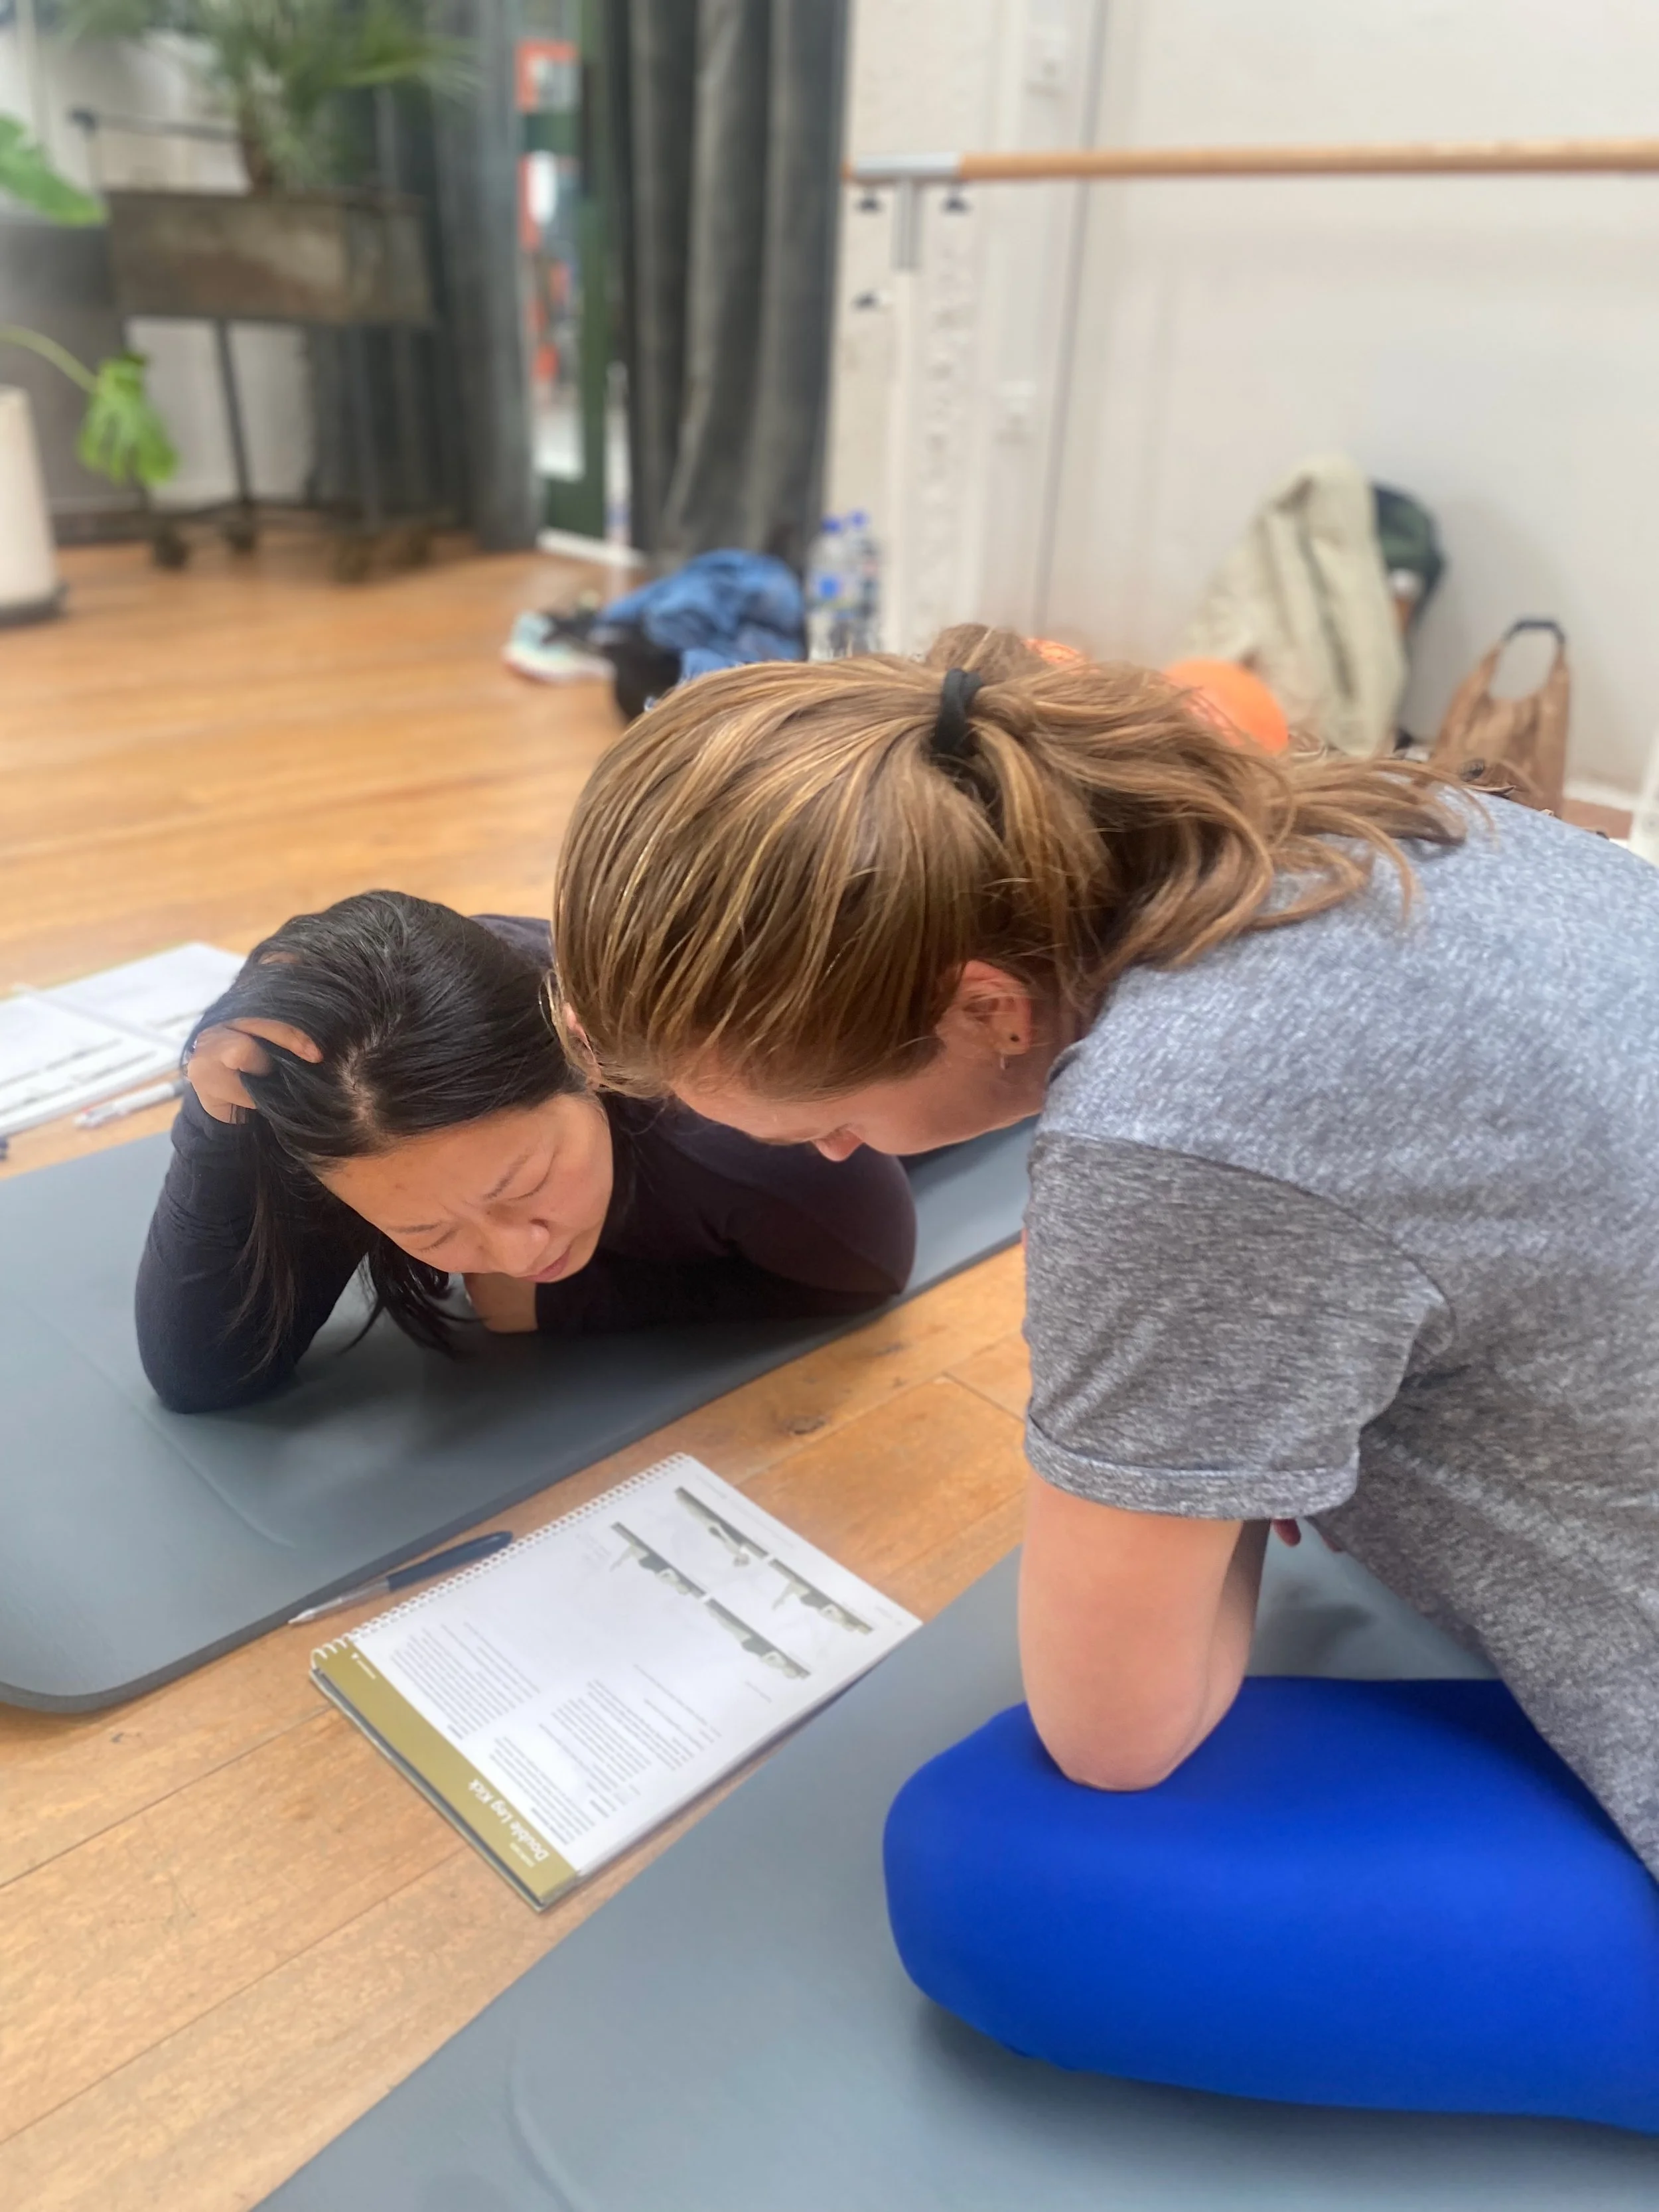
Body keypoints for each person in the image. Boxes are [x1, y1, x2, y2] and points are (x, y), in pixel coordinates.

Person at [549, 623, 1659, 1879]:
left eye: (832, 1122)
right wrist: (1230, 1399)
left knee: (986, 1862)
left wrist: (1214, 1418)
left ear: (987, 1007)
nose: (842, 1155)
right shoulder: (1406, 818)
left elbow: (1119, 1737)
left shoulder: (1178, 1121)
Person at [137, 891, 915, 1414]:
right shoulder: (353, 1120)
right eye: (429, 1232)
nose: (516, 1255)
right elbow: (203, 1375)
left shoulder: (714, 1111)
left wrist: (579, 1300)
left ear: (586, 1058)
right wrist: (216, 1131)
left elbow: (870, 1261)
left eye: (527, 1182)